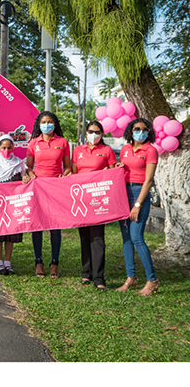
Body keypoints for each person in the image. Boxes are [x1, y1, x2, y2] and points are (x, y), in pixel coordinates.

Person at [115, 118, 160, 296]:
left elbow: (148, 180)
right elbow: (124, 169)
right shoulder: (125, 149)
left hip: (139, 193)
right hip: (123, 193)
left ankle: (152, 279)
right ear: (130, 131)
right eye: (136, 128)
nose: (140, 131)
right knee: (126, 237)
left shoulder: (151, 150)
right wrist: (120, 167)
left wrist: (138, 205)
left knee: (136, 237)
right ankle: (131, 277)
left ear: (149, 132)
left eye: (144, 129)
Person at [25, 111, 71, 278]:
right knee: (37, 226)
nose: (47, 124)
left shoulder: (63, 142)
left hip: (56, 189)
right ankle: (38, 262)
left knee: (54, 227)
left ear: (55, 124)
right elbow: (29, 167)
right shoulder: (33, 143)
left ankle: (54, 263)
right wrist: (31, 175)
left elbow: (67, 167)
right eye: (44, 122)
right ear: (39, 124)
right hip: (38, 188)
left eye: (50, 121)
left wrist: (64, 174)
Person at [71, 121, 116, 291]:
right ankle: (86, 272)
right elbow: (74, 173)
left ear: (102, 134)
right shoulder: (78, 151)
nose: (93, 134)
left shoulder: (107, 151)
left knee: (97, 238)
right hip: (82, 198)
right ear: (86, 132)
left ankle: (99, 277)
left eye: (97, 132)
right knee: (84, 236)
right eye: (90, 131)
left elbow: (112, 174)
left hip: (98, 199)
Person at [0, 135, 28, 275]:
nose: (6, 150)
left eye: (9, 148)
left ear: (13, 148)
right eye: (3, 147)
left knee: (11, 233)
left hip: (13, 204)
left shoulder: (18, 163)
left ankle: (8, 263)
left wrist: (25, 178)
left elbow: (24, 178)